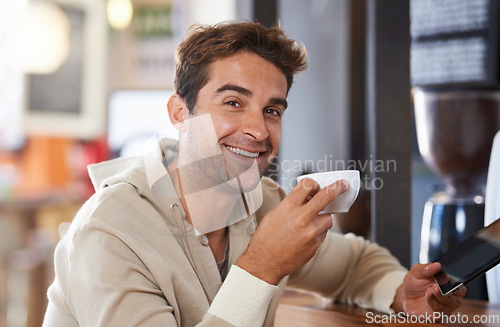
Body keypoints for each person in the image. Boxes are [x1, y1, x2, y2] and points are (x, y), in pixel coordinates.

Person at [42, 22, 465, 326]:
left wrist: (398, 292)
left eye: (272, 110)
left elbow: (356, 263)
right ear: (179, 113)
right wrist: (263, 264)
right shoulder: (109, 232)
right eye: (232, 103)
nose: (259, 130)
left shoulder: (259, 203)